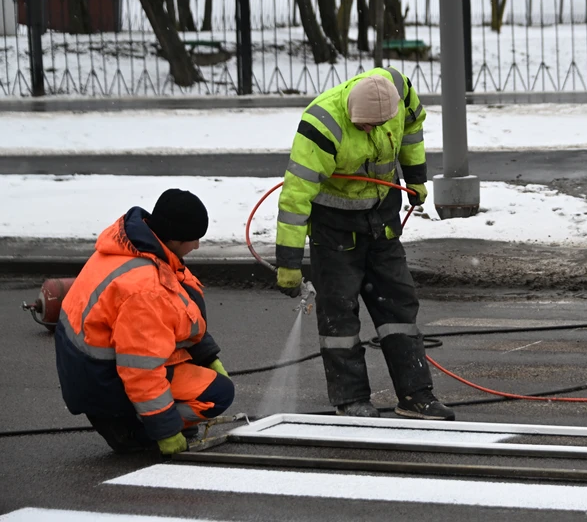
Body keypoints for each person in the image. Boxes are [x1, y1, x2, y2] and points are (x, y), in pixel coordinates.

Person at [274, 66, 454, 421]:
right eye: (364, 127)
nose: (370, 131)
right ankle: (352, 400)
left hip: (382, 224)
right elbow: (295, 200)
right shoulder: (322, 125)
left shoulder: (400, 91)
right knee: (340, 319)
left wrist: (415, 177)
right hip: (334, 232)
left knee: (399, 310)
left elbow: (414, 130)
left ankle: (416, 396)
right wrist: (289, 264)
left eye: (376, 125)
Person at [55, 189, 234, 455]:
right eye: (193, 239)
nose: (196, 246)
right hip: (104, 381)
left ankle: (141, 418)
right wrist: (167, 431)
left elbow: (178, 310)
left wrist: (207, 355)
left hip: (94, 369)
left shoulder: (138, 248)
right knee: (218, 394)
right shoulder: (144, 289)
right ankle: (132, 429)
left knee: (203, 377)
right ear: (174, 237)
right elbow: (141, 369)